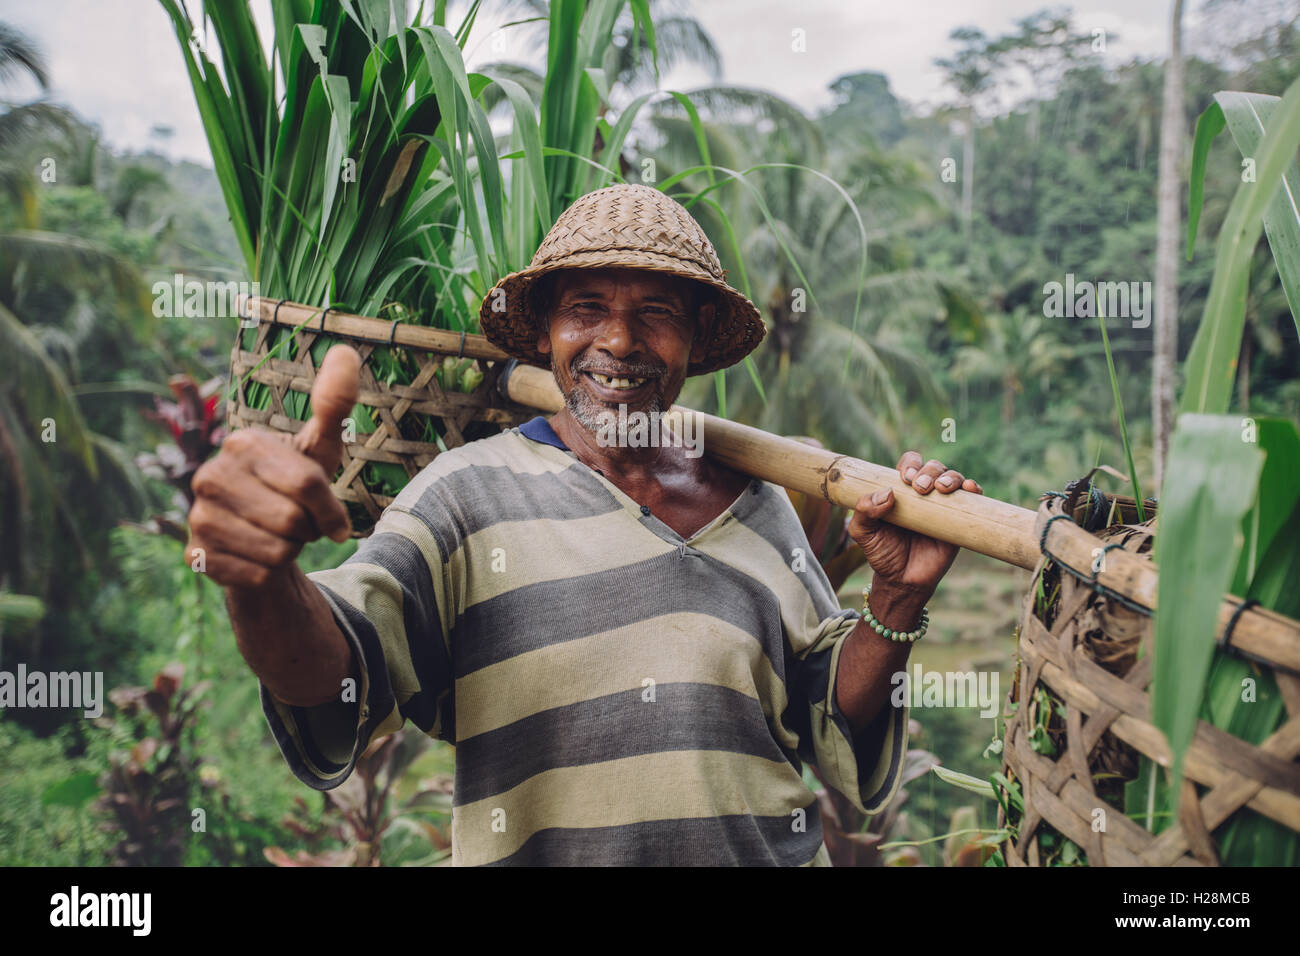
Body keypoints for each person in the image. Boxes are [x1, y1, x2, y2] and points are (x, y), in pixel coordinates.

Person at [187, 183, 983, 865]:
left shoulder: (759, 501)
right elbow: (335, 685)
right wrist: (261, 583)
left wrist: (896, 598)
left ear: (697, 340)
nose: (619, 342)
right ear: (544, 335)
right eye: (587, 309)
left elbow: (828, 722)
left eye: (657, 313)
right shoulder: (465, 497)